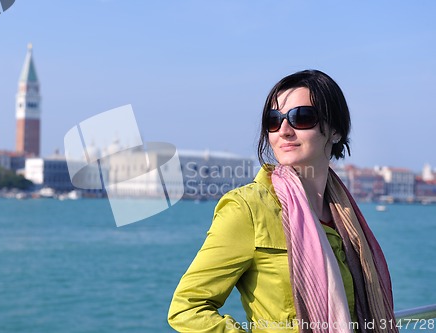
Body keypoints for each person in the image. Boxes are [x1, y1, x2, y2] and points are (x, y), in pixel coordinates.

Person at [168, 70, 398, 333]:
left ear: (335, 131)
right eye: (273, 120)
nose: (284, 131)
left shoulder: (347, 215)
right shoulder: (247, 209)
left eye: (302, 117)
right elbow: (187, 308)